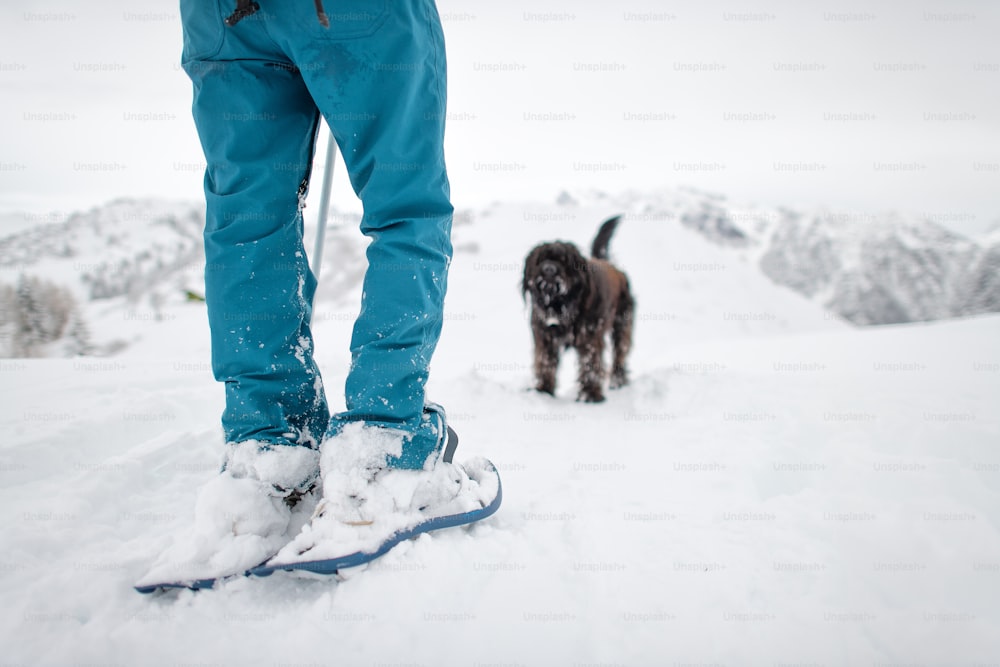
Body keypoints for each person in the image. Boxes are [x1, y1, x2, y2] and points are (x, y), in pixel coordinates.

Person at [138, 0, 498, 588]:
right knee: (405, 203)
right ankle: (382, 448)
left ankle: (268, 455)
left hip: (223, 15)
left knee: (247, 220)